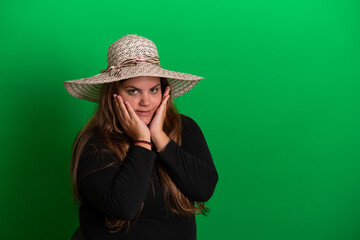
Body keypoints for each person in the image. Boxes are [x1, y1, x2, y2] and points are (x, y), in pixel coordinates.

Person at [64, 34, 218, 240]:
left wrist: (160, 138)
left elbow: (203, 189)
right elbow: (123, 206)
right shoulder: (94, 142)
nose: (146, 101)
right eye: (133, 91)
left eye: (153, 90)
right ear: (113, 95)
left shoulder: (185, 128)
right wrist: (142, 142)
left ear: (164, 92)